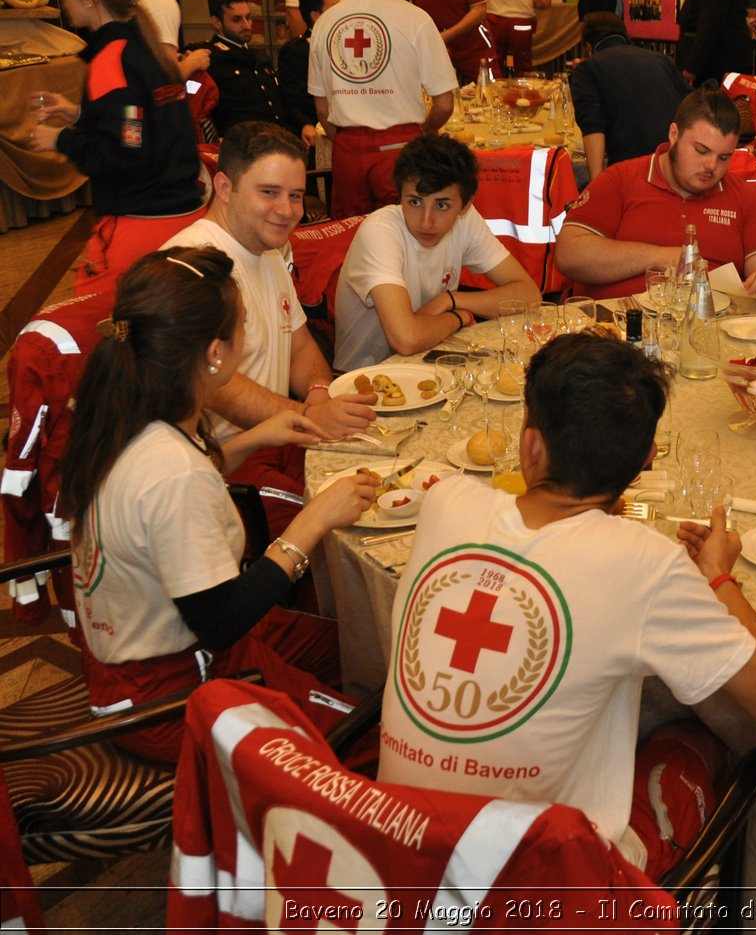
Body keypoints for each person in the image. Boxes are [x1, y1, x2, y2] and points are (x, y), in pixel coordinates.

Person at [379, 332, 756, 877]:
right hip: (538, 888)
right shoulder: (647, 564)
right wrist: (719, 576)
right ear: (645, 462)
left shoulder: (446, 501)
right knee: (701, 734)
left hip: (395, 853)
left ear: (531, 446)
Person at [56, 246, 378, 762]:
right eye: (243, 327)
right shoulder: (173, 473)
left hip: (135, 656)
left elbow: (155, 502)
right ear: (215, 354)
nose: (247, 338)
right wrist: (313, 520)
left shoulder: (128, 412)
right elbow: (220, 620)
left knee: (360, 647)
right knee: (374, 741)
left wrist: (251, 439)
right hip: (172, 694)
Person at [165, 123, 376, 533]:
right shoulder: (194, 264)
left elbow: (298, 343)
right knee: (349, 524)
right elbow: (213, 383)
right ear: (223, 187)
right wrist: (306, 417)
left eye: (295, 195)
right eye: (269, 193)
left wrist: (317, 396)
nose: (287, 210)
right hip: (226, 461)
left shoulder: (267, 248)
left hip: (280, 438)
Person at [28, 0, 205, 291]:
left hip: (142, 225)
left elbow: (126, 153)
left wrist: (61, 138)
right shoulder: (146, 44)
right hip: (183, 217)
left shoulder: (111, 58)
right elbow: (136, 123)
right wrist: (80, 115)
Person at [557, 88, 756, 302]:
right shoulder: (620, 179)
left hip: (710, 332)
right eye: (701, 150)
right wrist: (661, 257)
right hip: (616, 329)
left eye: (724, 157)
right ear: (674, 134)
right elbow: (569, 255)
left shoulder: (745, 198)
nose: (711, 166)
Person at [334, 135, 538, 369]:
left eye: (442, 205)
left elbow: (529, 295)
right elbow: (405, 339)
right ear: (399, 196)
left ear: (466, 205)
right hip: (365, 379)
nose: (426, 222)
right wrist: (458, 317)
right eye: (414, 202)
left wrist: (451, 299)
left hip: (429, 364)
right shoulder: (380, 231)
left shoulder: (466, 221)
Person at [308, 0, 456, 219]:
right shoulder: (416, 19)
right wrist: (421, 132)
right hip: (401, 151)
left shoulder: (326, 22)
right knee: (404, 241)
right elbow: (445, 104)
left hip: (347, 153)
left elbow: (321, 106)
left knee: (351, 241)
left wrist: (350, 141)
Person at [568, 11, 688, 173]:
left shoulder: (588, 68)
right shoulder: (660, 60)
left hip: (632, 169)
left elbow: (592, 126)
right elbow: (690, 105)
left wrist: (596, 187)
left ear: (588, 48)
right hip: (677, 163)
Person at [199, 0, 286, 136]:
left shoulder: (259, 58)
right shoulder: (210, 59)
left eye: (248, 17)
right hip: (240, 145)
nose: (246, 25)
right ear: (216, 22)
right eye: (237, 19)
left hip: (275, 138)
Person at [277, 0, 338, 150]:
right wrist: (305, 123)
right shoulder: (296, 50)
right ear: (316, 16)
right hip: (315, 127)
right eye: (334, 10)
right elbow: (292, 98)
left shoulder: (343, 43)